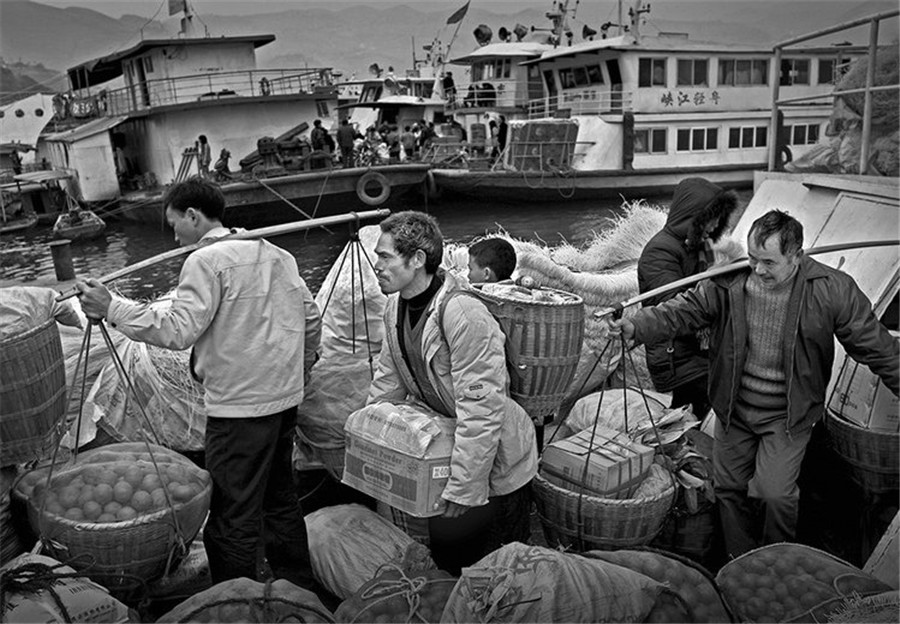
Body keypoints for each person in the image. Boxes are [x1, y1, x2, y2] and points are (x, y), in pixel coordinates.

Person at [75, 178, 322, 591]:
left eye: (175, 224)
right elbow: (311, 319)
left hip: (238, 410)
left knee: (232, 514)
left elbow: (177, 329)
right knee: (281, 502)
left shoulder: (205, 261)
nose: (174, 235)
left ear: (193, 216)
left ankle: (235, 601)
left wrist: (112, 306)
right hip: (283, 403)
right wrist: (302, 370)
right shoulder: (276, 253)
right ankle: (300, 590)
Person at [609, 210, 898, 559]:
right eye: (752, 258)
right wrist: (637, 327)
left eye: (769, 262)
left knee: (774, 495)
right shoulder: (729, 283)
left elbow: (876, 346)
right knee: (728, 489)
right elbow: (682, 311)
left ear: (797, 257)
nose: (758, 270)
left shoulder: (831, 290)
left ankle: (773, 560)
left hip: (788, 415)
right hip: (736, 408)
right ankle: (740, 562)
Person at [367, 211, 538, 575]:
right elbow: (387, 383)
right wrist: (372, 444)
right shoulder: (395, 307)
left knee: (499, 574)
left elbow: (482, 408)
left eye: (384, 256)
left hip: (494, 464)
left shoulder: (462, 314)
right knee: (451, 564)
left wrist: (464, 486)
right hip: (450, 455)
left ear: (416, 260)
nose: (376, 265)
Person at [637, 177, 740, 418]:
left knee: (691, 410)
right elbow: (675, 306)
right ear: (693, 216)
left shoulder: (697, 246)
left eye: (718, 220)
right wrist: (717, 277)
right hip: (674, 354)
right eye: (711, 218)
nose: (714, 226)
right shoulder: (659, 251)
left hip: (696, 349)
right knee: (704, 402)